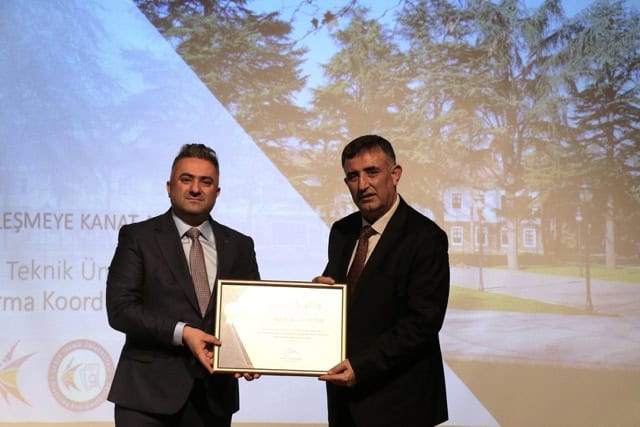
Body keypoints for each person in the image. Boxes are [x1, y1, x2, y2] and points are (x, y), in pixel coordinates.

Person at [106, 143, 260, 427]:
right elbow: (120, 310)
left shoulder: (239, 245)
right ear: (169, 187)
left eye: (206, 182)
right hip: (145, 398)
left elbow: (250, 312)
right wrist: (183, 332)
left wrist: (250, 352)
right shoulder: (138, 237)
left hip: (213, 398)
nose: (195, 189)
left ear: (217, 192)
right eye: (186, 179)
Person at [314, 135, 450, 426]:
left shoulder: (426, 237)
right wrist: (320, 298)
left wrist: (361, 367)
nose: (363, 184)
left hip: (401, 404)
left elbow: (423, 322)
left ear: (395, 174)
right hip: (344, 402)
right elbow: (347, 299)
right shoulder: (342, 231)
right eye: (353, 176)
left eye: (372, 172)